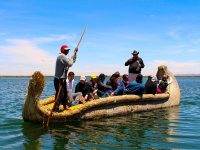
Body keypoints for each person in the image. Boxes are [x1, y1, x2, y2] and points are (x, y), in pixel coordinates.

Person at [54, 45, 77, 111]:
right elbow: (70, 63)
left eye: (68, 50)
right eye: (66, 50)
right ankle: (56, 108)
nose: (68, 51)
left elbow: (73, 61)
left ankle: (64, 106)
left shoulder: (65, 57)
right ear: (63, 50)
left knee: (64, 94)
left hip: (62, 79)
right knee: (60, 94)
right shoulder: (61, 56)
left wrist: (75, 53)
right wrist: (72, 59)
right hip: (58, 79)